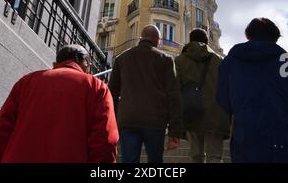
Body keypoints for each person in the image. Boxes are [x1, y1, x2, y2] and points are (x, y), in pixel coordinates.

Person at [0, 44, 119, 163]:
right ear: (84, 63)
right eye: (89, 64)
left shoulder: (27, 82)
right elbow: (105, 140)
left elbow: (0, 130)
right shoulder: (97, 87)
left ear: (56, 62)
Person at [217, 17, 288, 163]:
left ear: (248, 36)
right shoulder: (284, 60)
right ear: (275, 37)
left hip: (244, 132)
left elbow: (222, 96)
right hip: (280, 133)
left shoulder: (232, 60)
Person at [108, 24, 182, 163]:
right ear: (157, 40)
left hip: (127, 119)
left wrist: (115, 120)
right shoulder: (165, 59)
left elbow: (111, 94)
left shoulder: (122, 59)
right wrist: (175, 131)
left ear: (140, 38)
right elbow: (174, 95)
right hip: (155, 120)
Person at [175, 28, 230, 163]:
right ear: (206, 41)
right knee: (215, 157)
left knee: (196, 157)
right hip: (216, 113)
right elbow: (227, 87)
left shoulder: (179, 60)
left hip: (191, 112)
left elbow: (175, 89)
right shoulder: (219, 60)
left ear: (191, 40)